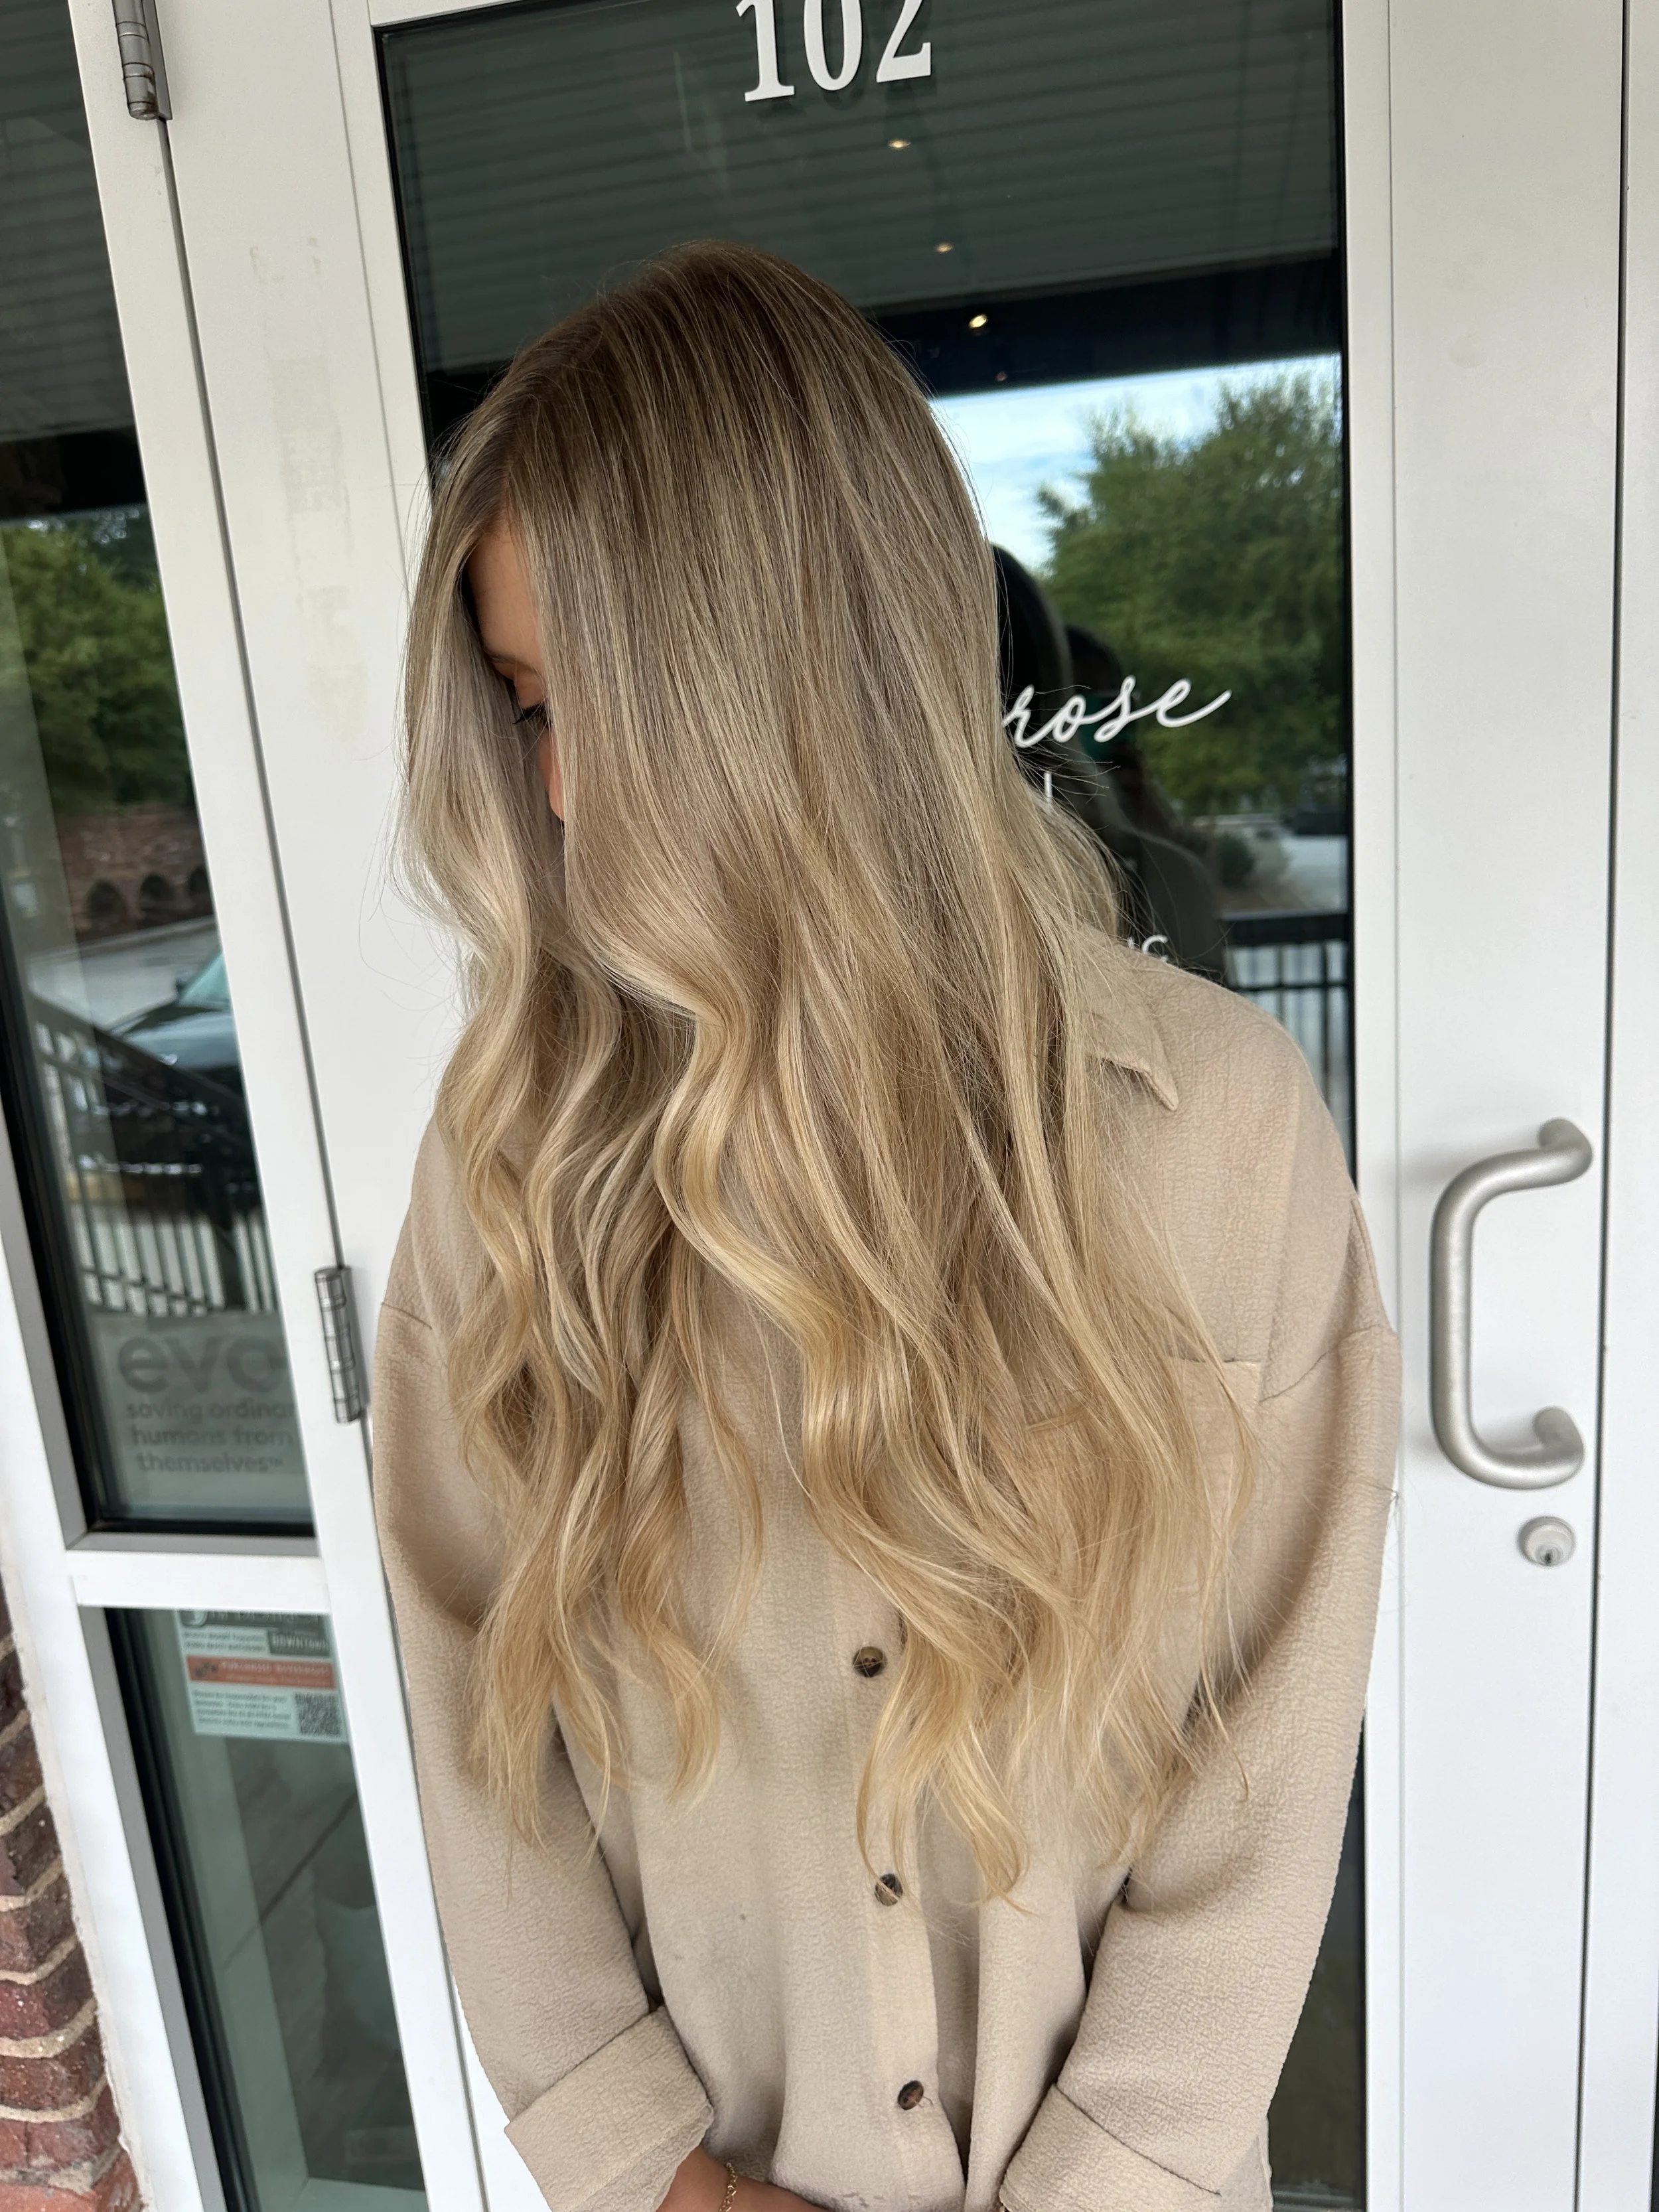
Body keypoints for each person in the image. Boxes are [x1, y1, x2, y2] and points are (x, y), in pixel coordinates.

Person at [371, 241, 1399, 2212]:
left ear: (811, 693)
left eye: (614, 708)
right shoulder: (513, 1147)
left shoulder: (1211, 1130)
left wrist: (1109, 2174)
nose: (566, 796)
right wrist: (639, 2158)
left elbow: (1263, 1740)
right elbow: (462, 1676)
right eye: (522, 709)